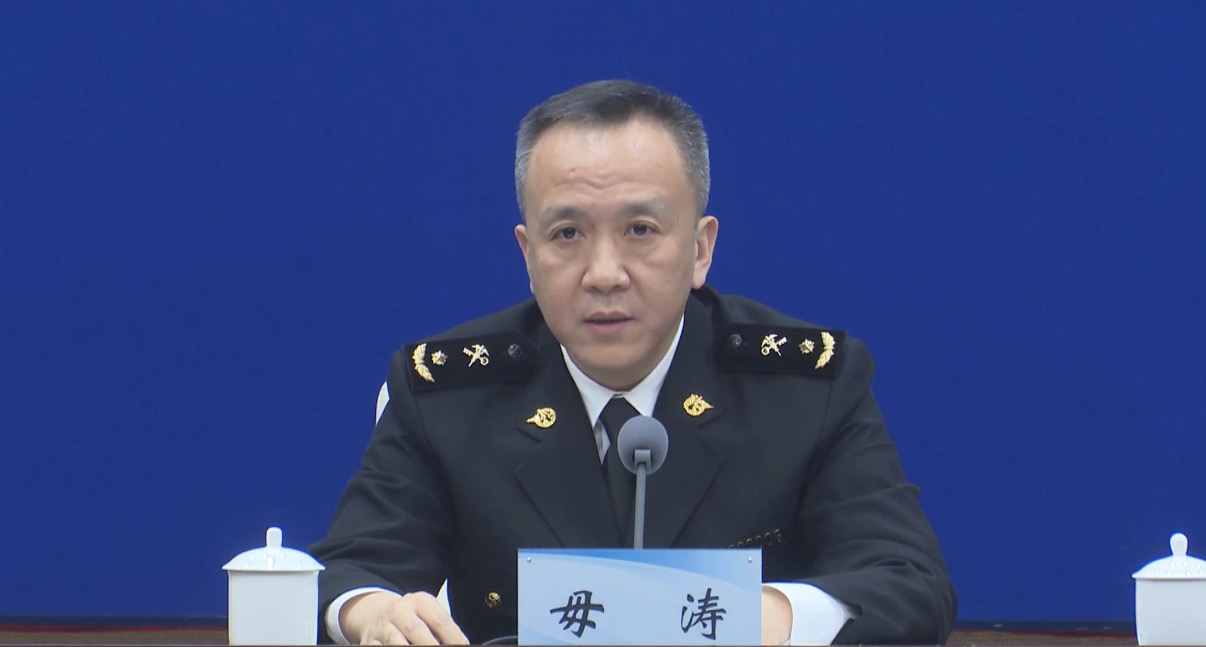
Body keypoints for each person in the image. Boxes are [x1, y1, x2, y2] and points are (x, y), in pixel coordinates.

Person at [309, 79, 956, 645]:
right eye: (567, 234)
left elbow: (910, 582)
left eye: (640, 230)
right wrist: (373, 614)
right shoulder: (449, 394)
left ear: (700, 249)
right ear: (528, 254)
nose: (604, 273)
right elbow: (349, 571)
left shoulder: (804, 387)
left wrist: (766, 616)